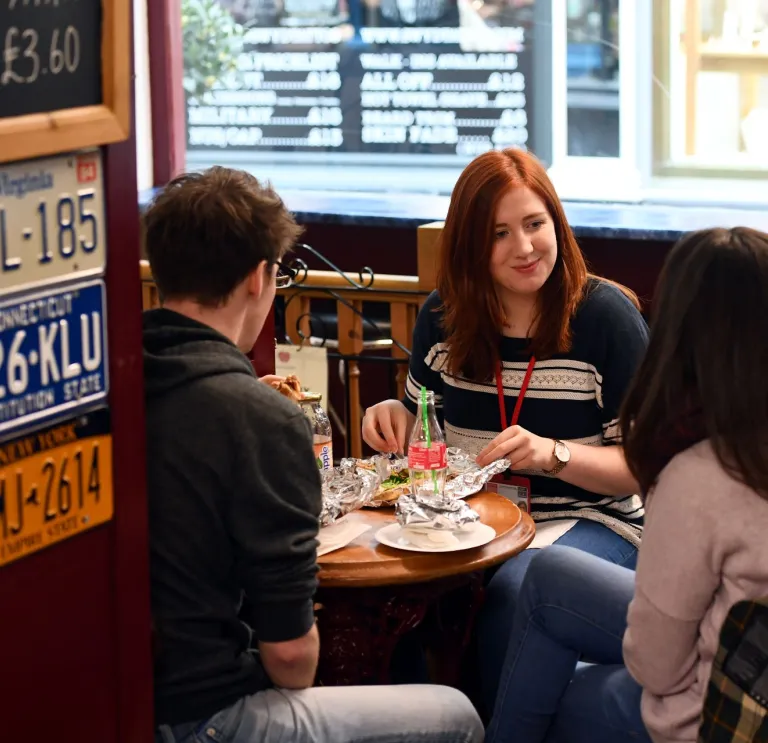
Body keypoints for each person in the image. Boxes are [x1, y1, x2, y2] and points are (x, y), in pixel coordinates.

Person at [143, 166, 484, 743]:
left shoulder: (109, 389)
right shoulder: (262, 419)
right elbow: (293, 662)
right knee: (457, 715)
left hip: (117, 695)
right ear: (259, 278)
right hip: (206, 716)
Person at [361, 148, 648, 706]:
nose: (524, 247)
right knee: (394, 600)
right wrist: (397, 418)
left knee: (514, 593)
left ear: (556, 225)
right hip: (473, 523)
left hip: (592, 522)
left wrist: (552, 455)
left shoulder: (606, 318)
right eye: (499, 233)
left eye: (535, 224)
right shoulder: (443, 316)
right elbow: (425, 432)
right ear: (471, 245)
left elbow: (639, 469)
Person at [484, 227, 768, 743]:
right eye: (501, 233)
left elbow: (659, 668)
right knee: (547, 576)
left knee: (556, 695)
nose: (523, 246)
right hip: (737, 641)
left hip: (734, 704)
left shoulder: (702, 473)